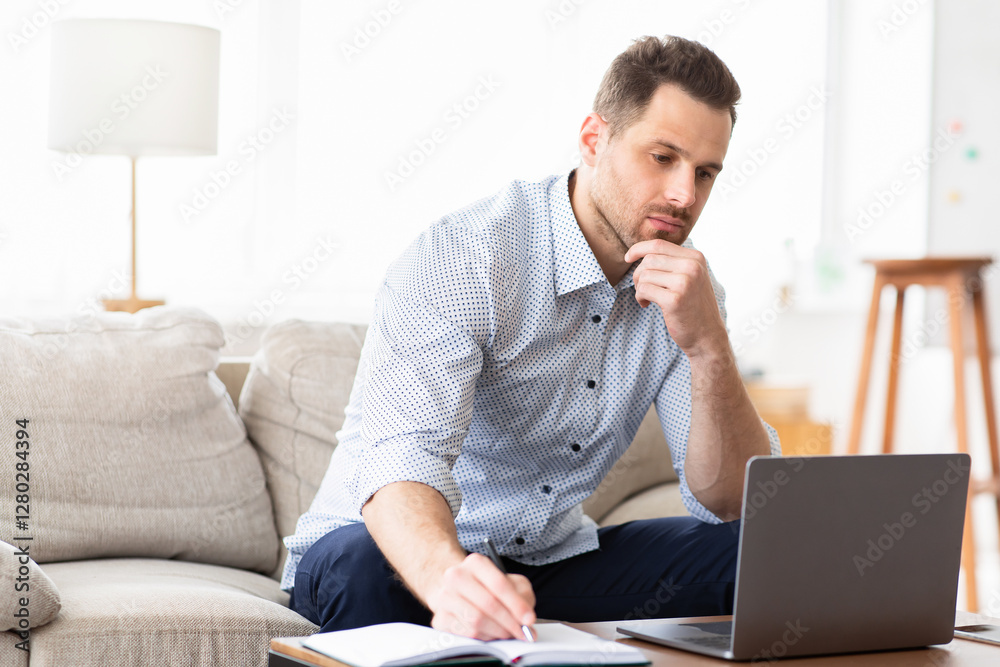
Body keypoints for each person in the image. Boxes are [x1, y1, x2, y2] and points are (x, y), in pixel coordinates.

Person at [283, 34, 780, 640]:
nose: (684, 195)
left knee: (764, 559)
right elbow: (401, 464)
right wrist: (452, 583)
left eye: (705, 173)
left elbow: (731, 502)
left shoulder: (690, 291)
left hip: (542, 562)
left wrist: (709, 348)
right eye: (663, 157)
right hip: (388, 551)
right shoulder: (467, 254)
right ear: (595, 140)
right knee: (367, 573)